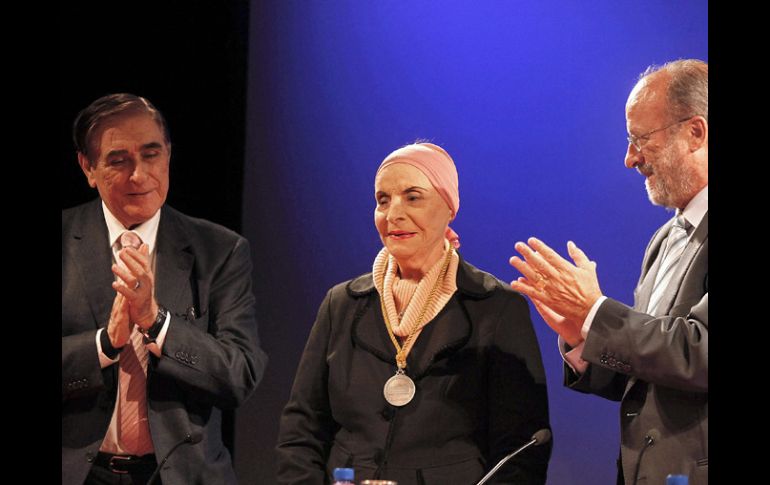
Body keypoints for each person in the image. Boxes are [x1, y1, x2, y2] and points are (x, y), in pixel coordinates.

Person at [276, 142, 552, 484]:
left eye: (413, 197)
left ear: (449, 207)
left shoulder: (495, 308)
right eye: (383, 200)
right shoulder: (341, 304)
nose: (393, 214)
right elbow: (301, 429)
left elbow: (522, 449)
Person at [509, 59, 708, 484]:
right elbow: (647, 374)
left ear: (695, 132)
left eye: (641, 139)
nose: (630, 158)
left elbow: (701, 352)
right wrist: (582, 335)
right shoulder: (665, 240)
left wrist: (597, 312)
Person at [62, 93, 268, 485]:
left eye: (151, 154)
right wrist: (105, 345)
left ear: (169, 155)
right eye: (118, 160)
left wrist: (157, 324)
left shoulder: (220, 251)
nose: (139, 175)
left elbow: (239, 375)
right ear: (88, 167)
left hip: (183, 476)